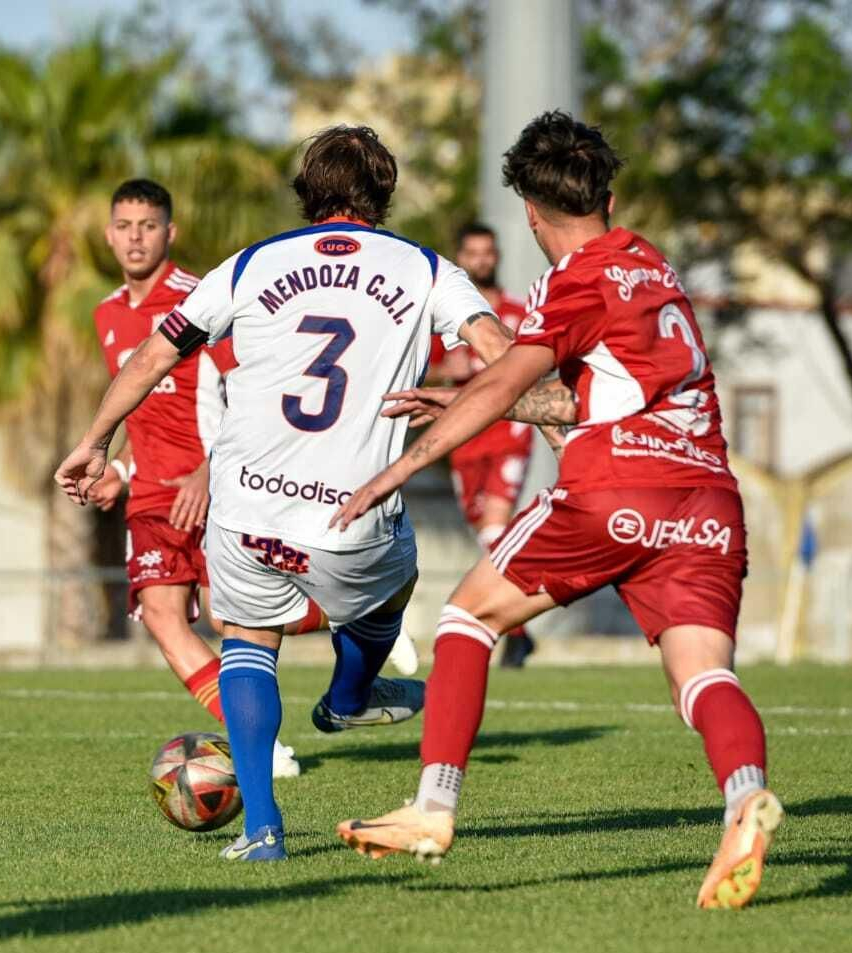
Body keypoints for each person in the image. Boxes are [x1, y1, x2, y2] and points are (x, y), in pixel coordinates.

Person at [330, 111, 783, 911]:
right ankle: (745, 799)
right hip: (707, 497)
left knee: (468, 619)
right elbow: (587, 394)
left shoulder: (577, 278)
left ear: (531, 216)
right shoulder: (652, 265)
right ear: (608, 193)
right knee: (703, 673)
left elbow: (509, 380)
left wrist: (395, 469)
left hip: (615, 489)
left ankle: (433, 808)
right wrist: (459, 399)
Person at [57, 128, 506, 862]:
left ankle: (262, 829)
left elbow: (156, 353)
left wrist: (94, 441)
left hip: (243, 504)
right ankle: (351, 697)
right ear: (383, 193)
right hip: (350, 513)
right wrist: (524, 408)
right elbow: (499, 352)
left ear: (307, 190)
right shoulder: (427, 268)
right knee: (388, 597)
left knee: (245, 642)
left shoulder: (252, 262)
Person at [89, 178, 306, 778]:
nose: (135, 239)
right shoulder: (106, 314)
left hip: (218, 486)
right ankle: (261, 746)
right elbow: (141, 407)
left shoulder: (198, 302)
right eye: (125, 227)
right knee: (162, 615)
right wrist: (121, 470)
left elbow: (253, 392)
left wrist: (208, 473)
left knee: (228, 618)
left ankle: (351, 617)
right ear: (109, 234)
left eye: (148, 226)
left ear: (170, 232)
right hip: (151, 494)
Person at [426, 221, 537, 667]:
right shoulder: (446, 319)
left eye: (488, 252)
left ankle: (517, 625)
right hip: (465, 437)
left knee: (495, 529)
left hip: (509, 432)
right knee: (487, 534)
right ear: (460, 256)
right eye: (472, 253)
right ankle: (518, 630)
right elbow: (424, 374)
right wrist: (444, 370)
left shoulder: (517, 311)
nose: (482, 260)